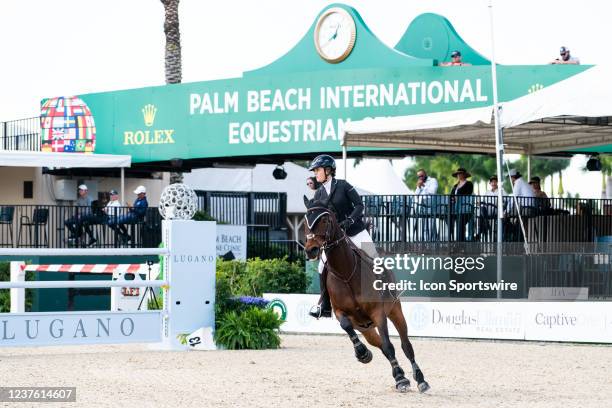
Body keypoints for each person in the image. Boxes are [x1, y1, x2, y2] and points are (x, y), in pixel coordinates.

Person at [306, 154, 374, 319]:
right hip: (335, 238)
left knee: (374, 258)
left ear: (328, 170)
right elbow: (316, 218)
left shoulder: (343, 186)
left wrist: (350, 220)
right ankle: (325, 304)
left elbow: (359, 205)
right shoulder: (319, 194)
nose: (316, 174)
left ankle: (387, 292)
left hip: (355, 231)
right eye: (314, 171)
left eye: (318, 170)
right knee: (322, 267)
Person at [449, 168, 474, 241]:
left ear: (464, 175)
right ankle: (457, 240)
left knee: (461, 224)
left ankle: (460, 241)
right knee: (458, 224)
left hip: (465, 207)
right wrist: (453, 199)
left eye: (460, 173)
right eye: (458, 174)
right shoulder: (455, 186)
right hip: (456, 208)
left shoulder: (469, 184)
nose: (459, 175)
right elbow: (451, 196)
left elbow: (468, 193)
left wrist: (459, 198)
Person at [414, 169, 439, 240]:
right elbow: (416, 195)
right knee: (424, 226)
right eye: (418, 176)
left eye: (421, 176)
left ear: (425, 174)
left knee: (431, 225)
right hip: (422, 206)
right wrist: (418, 187)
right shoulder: (420, 183)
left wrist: (424, 186)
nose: (420, 178)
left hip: (430, 205)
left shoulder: (433, 180)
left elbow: (433, 191)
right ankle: (426, 243)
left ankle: (432, 242)